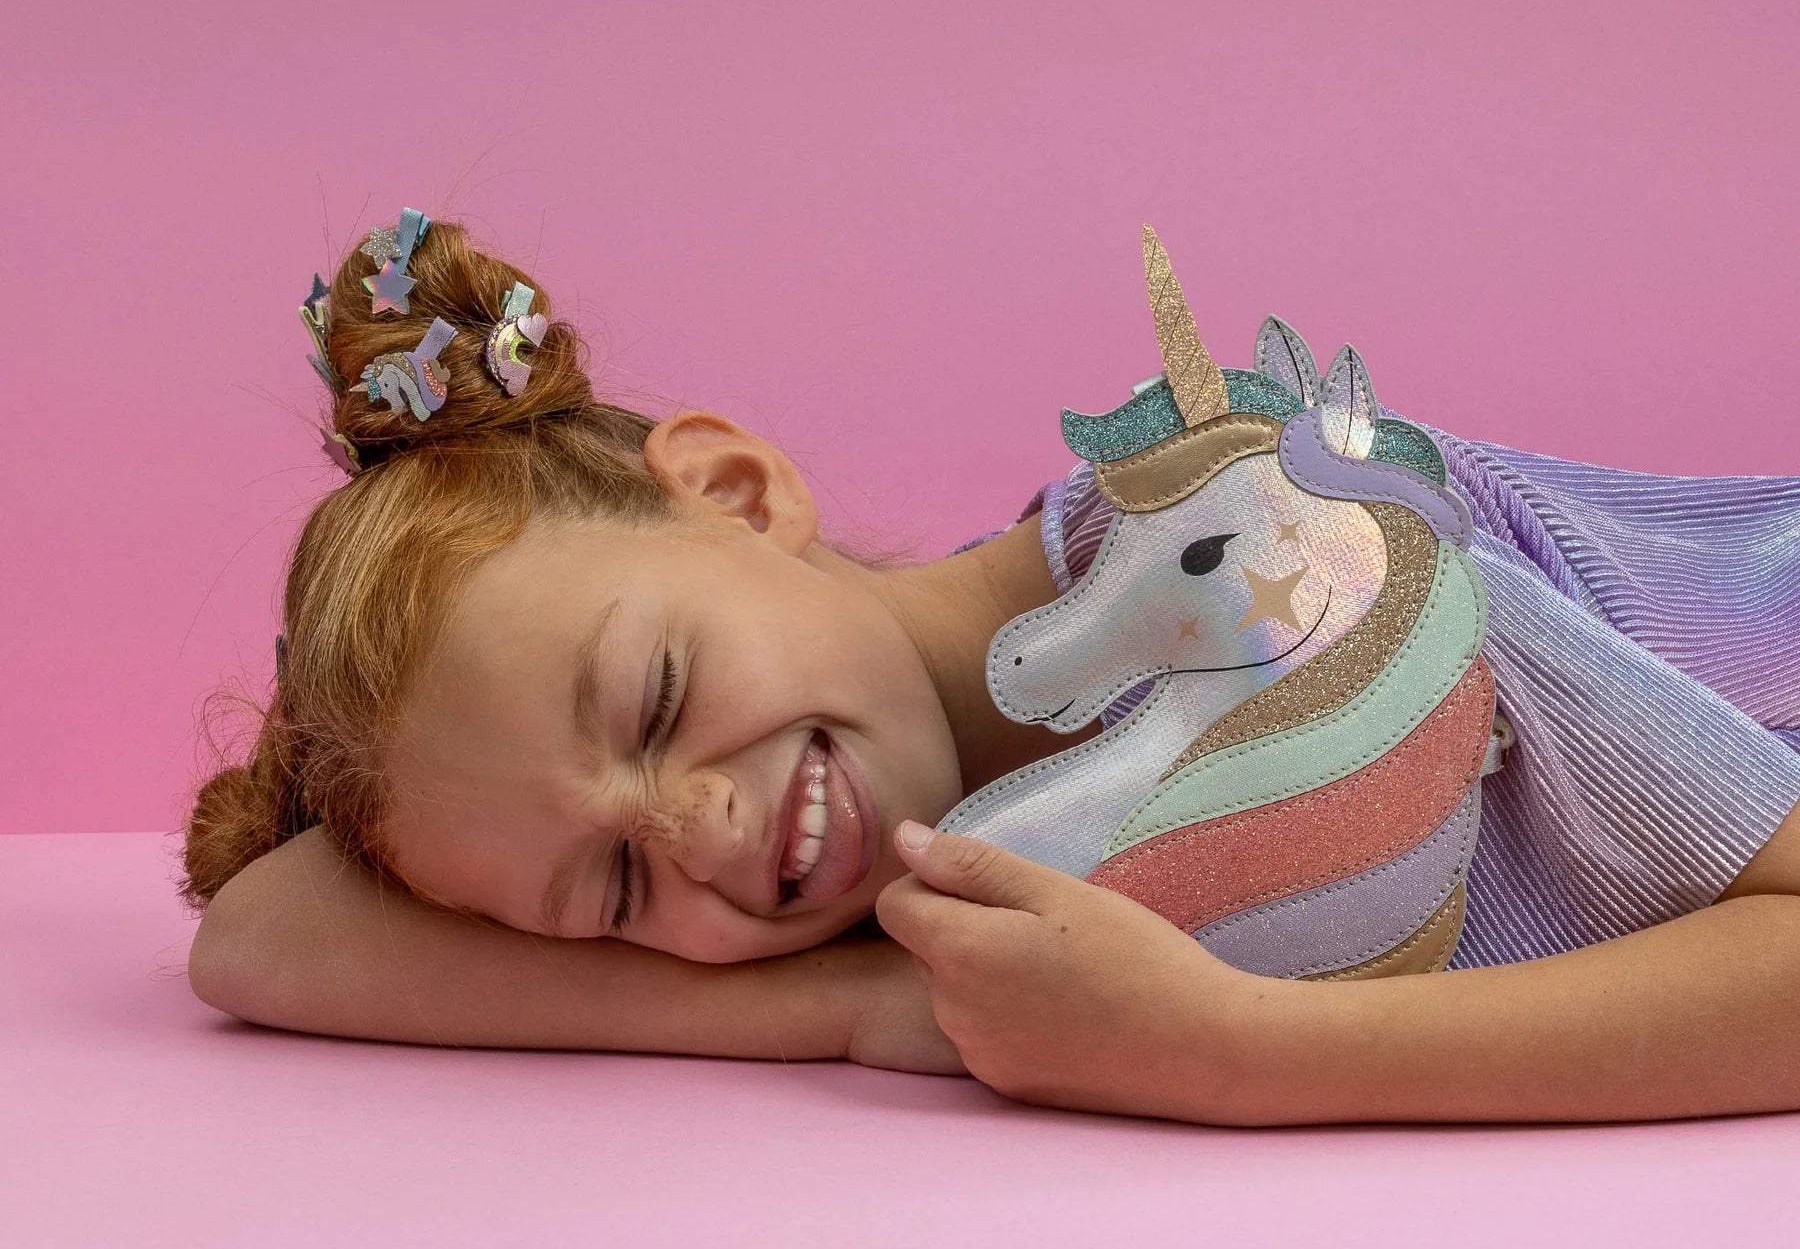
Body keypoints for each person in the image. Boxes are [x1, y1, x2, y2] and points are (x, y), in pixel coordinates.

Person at [183, 212, 1800, 1125]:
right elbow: (261, 939)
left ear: (739, 497)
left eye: (660, 701)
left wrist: (1235, 1055)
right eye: (611, 891)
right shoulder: (978, 864)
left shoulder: (1257, 547)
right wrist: (854, 1005)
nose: (690, 834)